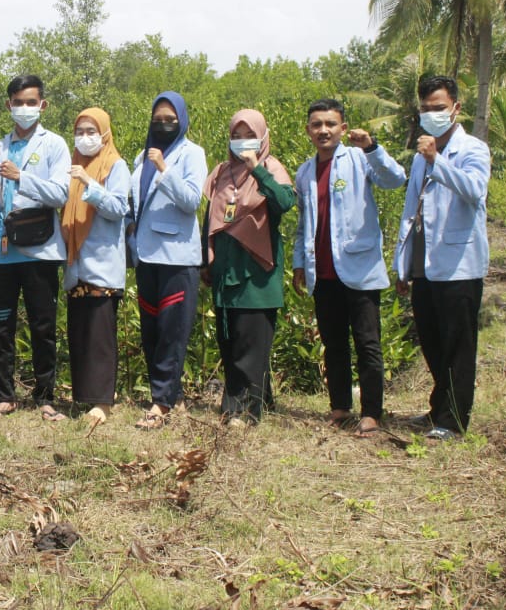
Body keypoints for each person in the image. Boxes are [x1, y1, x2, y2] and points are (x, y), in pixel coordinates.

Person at [292, 99, 406, 437]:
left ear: (343, 128)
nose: (323, 130)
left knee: (367, 343)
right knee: (334, 342)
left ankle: (372, 412)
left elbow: (394, 179)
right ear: (309, 130)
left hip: (360, 268)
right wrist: (300, 263)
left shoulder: (359, 158)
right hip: (322, 271)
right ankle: (340, 407)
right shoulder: (303, 172)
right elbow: (303, 225)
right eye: (316, 124)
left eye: (330, 124)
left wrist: (373, 148)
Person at [394, 76, 490, 441]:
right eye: (425, 109)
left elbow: (474, 190)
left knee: (458, 346)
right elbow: (412, 210)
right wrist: (403, 265)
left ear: (455, 108)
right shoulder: (421, 156)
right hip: (425, 265)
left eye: (438, 108)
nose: (431, 114)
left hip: (459, 264)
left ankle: (453, 422)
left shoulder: (473, 149)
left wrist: (437, 161)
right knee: (432, 342)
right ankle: (439, 409)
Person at [0, 75, 70, 421]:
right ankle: (4, 395)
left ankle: (45, 397)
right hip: (2, 252)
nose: (25, 108)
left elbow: (61, 193)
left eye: (31, 102)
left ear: (42, 105)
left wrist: (21, 177)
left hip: (41, 251)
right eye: (18, 102)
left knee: (42, 325)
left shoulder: (55, 145)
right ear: (8, 105)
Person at [203, 109, 295, 426]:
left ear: (263, 137)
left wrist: (258, 171)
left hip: (256, 275)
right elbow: (209, 219)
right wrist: (208, 259)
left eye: (249, 135)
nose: (243, 142)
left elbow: (284, 202)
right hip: (225, 272)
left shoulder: (271, 168)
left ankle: (243, 411)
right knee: (231, 340)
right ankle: (260, 401)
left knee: (251, 343)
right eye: (236, 136)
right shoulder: (221, 173)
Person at [127, 92, 208, 430]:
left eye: (170, 120)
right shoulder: (140, 155)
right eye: (158, 119)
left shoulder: (192, 154)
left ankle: (162, 403)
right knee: (151, 331)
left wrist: (163, 169)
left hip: (177, 257)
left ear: (182, 121)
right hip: (146, 255)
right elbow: (136, 199)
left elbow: (191, 200)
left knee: (172, 332)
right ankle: (168, 394)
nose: (162, 125)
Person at [61, 108, 130, 425]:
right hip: (76, 267)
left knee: (101, 337)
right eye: (80, 131)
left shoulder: (116, 165)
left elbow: (118, 207)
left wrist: (90, 183)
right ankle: (84, 398)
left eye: (92, 131)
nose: (85, 137)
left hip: (103, 267)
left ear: (105, 133)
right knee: (80, 334)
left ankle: (103, 403)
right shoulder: (73, 168)